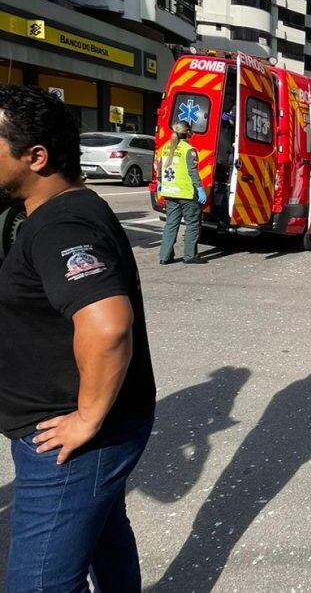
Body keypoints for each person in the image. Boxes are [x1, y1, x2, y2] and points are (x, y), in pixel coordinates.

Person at [0, 85, 156, 592]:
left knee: (39, 583)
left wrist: (86, 418)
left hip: (69, 439)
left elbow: (108, 324)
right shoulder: (51, 210)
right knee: (105, 538)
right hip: (80, 427)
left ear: (35, 157)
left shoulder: (61, 225)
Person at [158, 121, 206, 264]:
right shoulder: (189, 150)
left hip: (169, 192)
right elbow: (192, 171)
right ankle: (190, 256)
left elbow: (160, 168)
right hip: (186, 193)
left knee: (171, 224)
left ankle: (164, 257)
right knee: (192, 223)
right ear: (188, 132)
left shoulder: (165, 147)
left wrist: (161, 183)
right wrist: (199, 188)